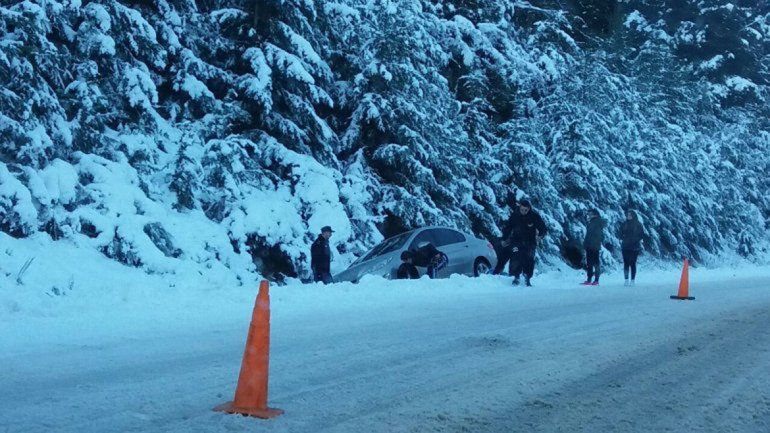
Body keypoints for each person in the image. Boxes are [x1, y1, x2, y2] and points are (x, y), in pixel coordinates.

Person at [499, 199, 547, 286]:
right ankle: (516, 276)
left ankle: (527, 278)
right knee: (516, 256)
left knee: (529, 258)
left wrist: (540, 236)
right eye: (522, 209)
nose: (523, 212)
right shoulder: (515, 215)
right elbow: (508, 228)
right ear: (519, 207)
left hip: (530, 242)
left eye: (526, 210)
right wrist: (504, 239)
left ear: (529, 209)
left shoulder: (534, 216)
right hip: (516, 241)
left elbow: (543, 228)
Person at [619, 210, 644, 286]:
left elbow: (641, 235)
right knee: (626, 263)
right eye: (627, 215)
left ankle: (632, 280)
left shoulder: (638, 224)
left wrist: (635, 240)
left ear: (633, 216)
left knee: (633, 263)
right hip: (625, 246)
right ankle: (626, 279)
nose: (628, 216)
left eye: (630, 215)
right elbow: (620, 233)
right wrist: (623, 237)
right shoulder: (624, 224)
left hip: (634, 247)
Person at [581, 209, 606, 286]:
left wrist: (593, 243)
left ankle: (596, 280)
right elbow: (588, 235)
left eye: (590, 214)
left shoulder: (597, 223)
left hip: (594, 246)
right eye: (588, 214)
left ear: (595, 215)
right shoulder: (591, 223)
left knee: (595, 263)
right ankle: (589, 279)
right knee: (589, 263)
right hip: (590, 245)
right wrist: (586, 243)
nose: (589, 215)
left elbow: (600, 236)